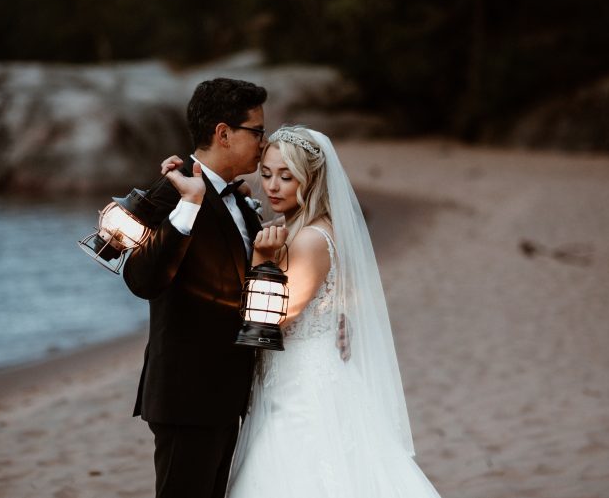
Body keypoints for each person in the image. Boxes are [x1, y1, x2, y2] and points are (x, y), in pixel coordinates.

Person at [225, 126, 442, 497]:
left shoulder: (310, 239)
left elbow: (272, 321)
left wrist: (261, 259)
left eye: (286, 176)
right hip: (289, 378)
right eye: (266, 174)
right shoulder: (291, 228)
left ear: (310, 180)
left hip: (302, 387)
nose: (273, 186)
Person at [122, 77, 267, 498]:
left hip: (226, 395)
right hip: (187, 397)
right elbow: (141, 279)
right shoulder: (172, 191)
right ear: (224, 133)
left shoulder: (239, 200)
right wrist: (188, 204)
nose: (263, 142)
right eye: (257, 131)